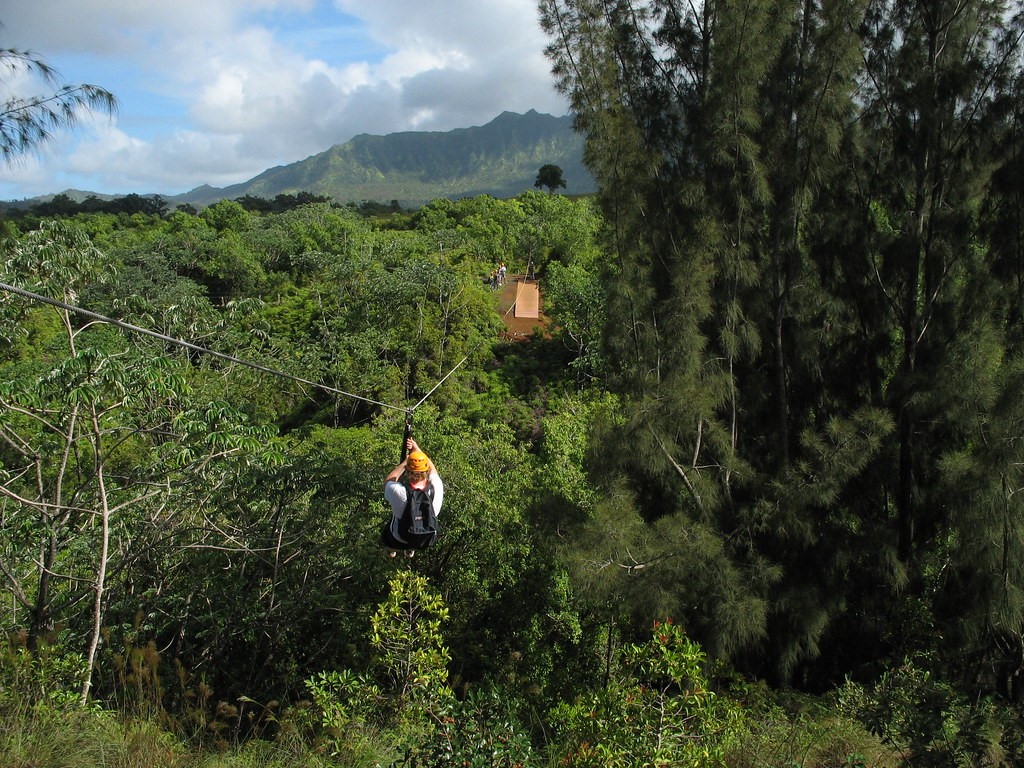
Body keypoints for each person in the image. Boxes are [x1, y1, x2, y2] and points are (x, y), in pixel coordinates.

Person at [381, 437, 444, 557]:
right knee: (415, 530)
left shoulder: (399, 491)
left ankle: (392, 549)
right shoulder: (436, 488)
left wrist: (405, 462)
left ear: (408, 470)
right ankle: (411, 548)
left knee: (388, 529)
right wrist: (417, 450)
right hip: (426, 539)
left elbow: (388, 481)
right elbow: (433, 470)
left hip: (399, 538)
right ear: (425, 471)